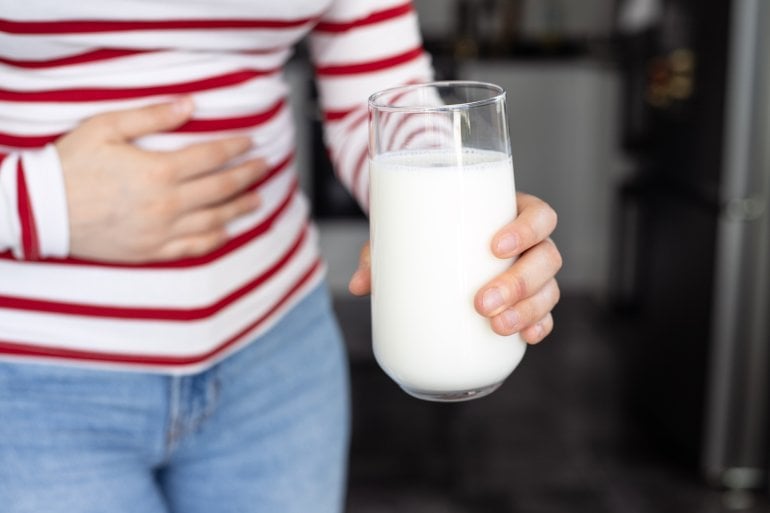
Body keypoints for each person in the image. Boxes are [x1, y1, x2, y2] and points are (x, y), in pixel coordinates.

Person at [0, 1, 562, 512]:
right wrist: (35, 203)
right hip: (27, 378)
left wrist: (445, 199)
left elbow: (378, 85)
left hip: (276, 351)